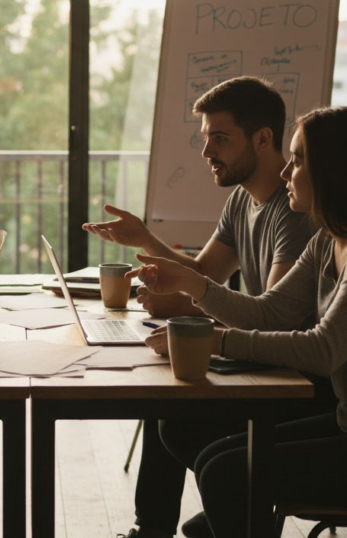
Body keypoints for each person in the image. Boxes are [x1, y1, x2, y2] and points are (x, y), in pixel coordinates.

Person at [129, 106, 347, 538]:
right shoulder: (330, 238)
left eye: (297, 159)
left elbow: (324, 350)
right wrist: (193, 284)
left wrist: (216, 340)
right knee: (205, 450)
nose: (285, 171)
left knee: (225, 475)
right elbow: (270, 312)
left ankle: (231, 517)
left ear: (335, 170)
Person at [82, 77, 322, 538]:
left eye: (220, 139)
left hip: (291, 376)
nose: (207, 151)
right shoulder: (242, 200)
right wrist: (145, 238)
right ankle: (182, 521)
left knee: (174, 412)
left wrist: (197, 315)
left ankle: (232, 505)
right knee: (167, 401)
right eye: (206, 138)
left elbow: (273, 317)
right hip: (262, 356)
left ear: (263, 139)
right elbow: (204, 273)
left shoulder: (294, 213)